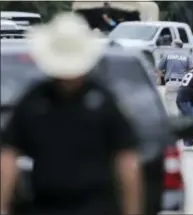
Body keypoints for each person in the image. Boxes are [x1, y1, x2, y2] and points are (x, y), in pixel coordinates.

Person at [0, 13, 142, 215]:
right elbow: (8, 156)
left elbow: (126, 160)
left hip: (95, 207)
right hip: (44, 206)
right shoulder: (34, 101)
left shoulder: (103, 101)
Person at [158, 39, 193, 116]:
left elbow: (159, 68)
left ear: (173, 45)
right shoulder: (187, 55)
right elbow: (191, 70)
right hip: (183, 84)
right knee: (181, 106)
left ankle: (176, 124)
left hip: (171, 82)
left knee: (171, 107)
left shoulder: (167, 54)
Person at [176, 64, 193, 149]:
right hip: (186, 99)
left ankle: (186, 142)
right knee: (192, 120)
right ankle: (188, 143)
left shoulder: (192, 71)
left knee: (185, 120)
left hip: (182, 97)